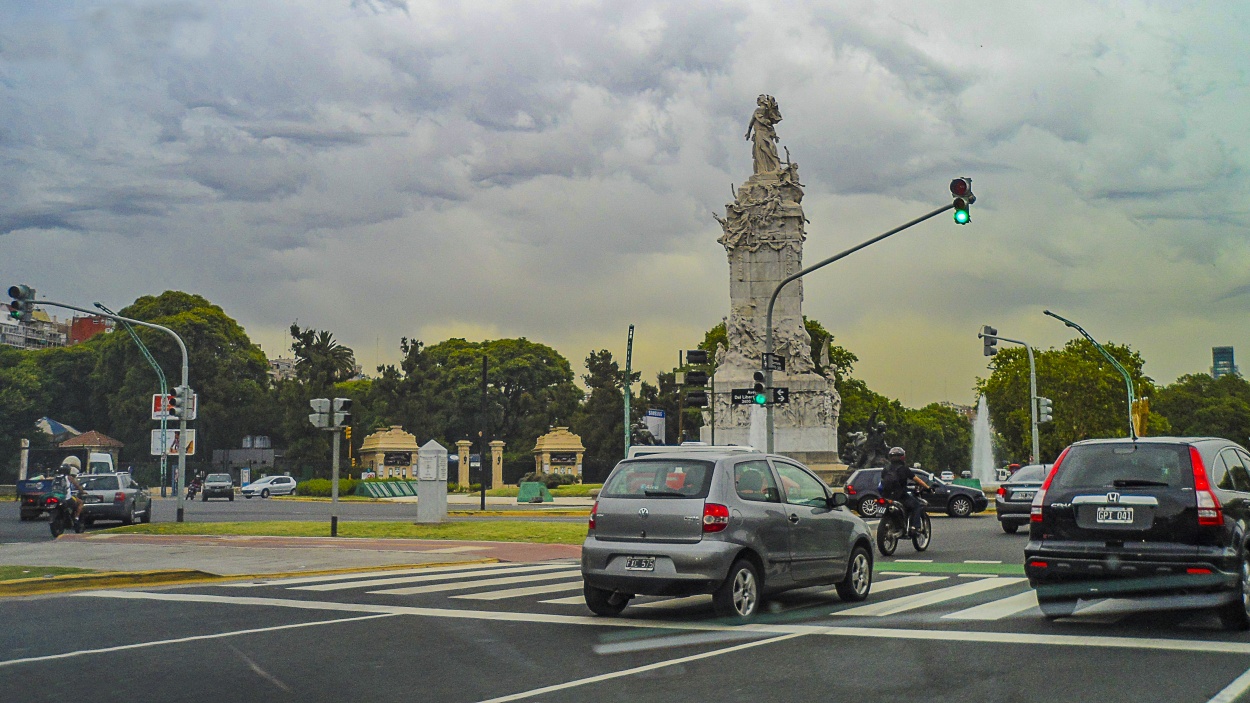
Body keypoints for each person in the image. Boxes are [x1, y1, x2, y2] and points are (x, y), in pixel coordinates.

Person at [880, 446, 929, 536]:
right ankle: (914, 527)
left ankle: (900, 525)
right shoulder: (904, 469)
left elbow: (883, 480)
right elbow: (917, 480)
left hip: (886, 496)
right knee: (917, 505)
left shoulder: (885, 469)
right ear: (902, 457)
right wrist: (927, 487)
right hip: (900, 496)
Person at [58, 456, 85, 522]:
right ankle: (76, 517)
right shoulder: (69, 478)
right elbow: (77, 486)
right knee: (80, 502)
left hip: (57, 497)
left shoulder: (56, 477)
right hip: (67, 498)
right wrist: (82, 491)